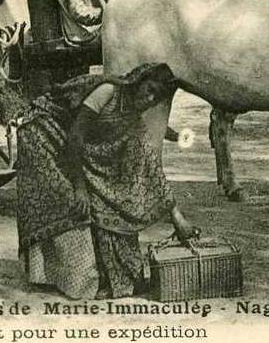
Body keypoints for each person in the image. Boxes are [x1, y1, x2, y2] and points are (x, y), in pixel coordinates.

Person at [16, 63, 198, 300]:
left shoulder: (132, 113)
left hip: (74, 145)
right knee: (69, 202)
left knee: (116, 185)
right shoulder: (107, 93)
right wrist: (80, 188)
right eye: (149, 89)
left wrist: (178, 219)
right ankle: (49, 273)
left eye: (155, 98)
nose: (149, 98)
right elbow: (75, 138)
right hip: (46, 133)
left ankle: (104, 273)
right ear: (138, 81)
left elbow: (151, 166)